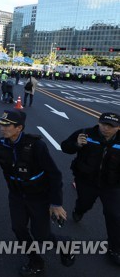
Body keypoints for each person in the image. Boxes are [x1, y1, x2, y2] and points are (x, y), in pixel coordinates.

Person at [0, 111, 74, 276]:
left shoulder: (36, 146)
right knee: (18, 228)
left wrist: (56, 204)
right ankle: (36, 261)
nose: (2, 129)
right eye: (1, 125)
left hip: (39, 196)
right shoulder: (0, 144)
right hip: (16, 194)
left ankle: (65, 244)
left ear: (19, 128)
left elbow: (55, 174)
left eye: (7, 126)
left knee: (42, 236)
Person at [60, 112, 120, 266]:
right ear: (98, 122)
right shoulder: (85, 133)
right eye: (103, 124)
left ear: (118, 128)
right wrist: (76, 145)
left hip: (112, 185)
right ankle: (79, 210)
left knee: (114, 215)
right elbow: (65, 147)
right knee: (84, 203)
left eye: (111, 126)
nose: (105, 129)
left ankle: (114, 248)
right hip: (87, 181)